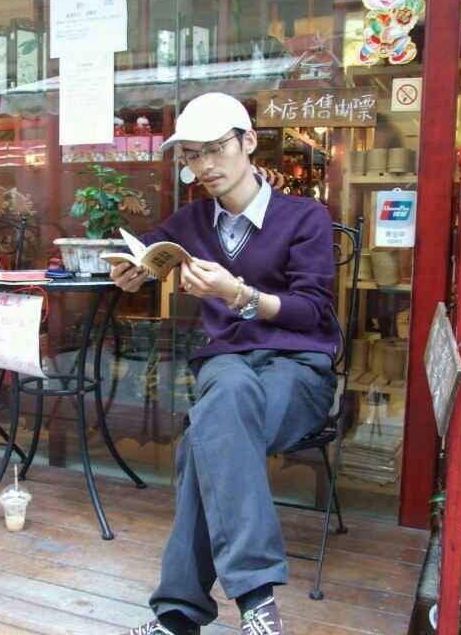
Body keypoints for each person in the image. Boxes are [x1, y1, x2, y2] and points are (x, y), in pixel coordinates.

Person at [112, 92, 338, 635]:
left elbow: (313, 311)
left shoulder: (305, 217)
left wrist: (239, 294)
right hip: (227, 361)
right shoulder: (191, 220)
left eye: (215, 149)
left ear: (249, 142)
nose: (204, 165)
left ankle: (178, 617)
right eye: (193, 155)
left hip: (297, 365)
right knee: (225, 398)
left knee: (207, 433)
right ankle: (257, 603)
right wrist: (132, 271)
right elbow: (146, 248)